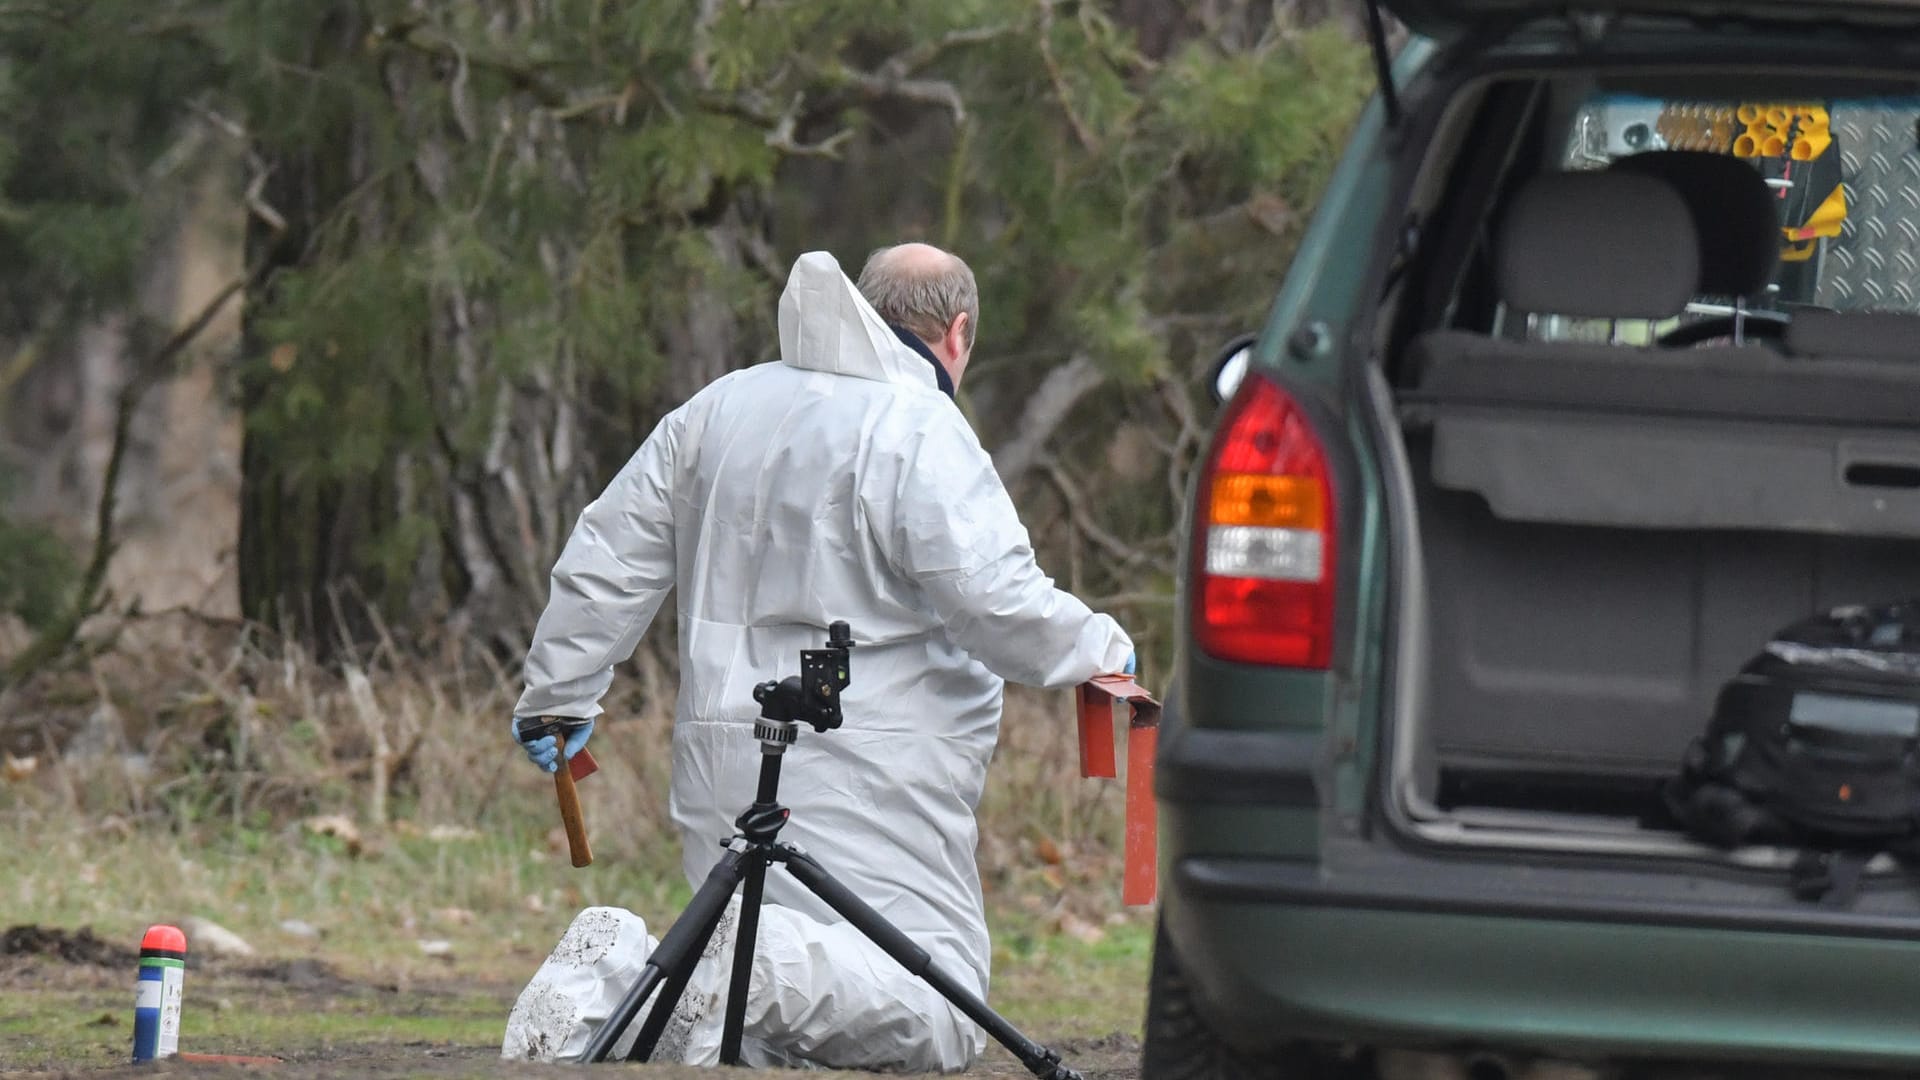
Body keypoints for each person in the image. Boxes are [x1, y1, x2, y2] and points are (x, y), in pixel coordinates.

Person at [499, 243, 1135, 1071]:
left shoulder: (719, 407)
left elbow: (608, 559)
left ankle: (599, 999)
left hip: (722, 754)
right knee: (933, 1014)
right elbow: (994, 602)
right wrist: (1104, 651)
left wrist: (560, 695)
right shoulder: (915, 425)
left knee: (755, 1040)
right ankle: (687, 967)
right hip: (871, 766)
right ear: (959, 333)